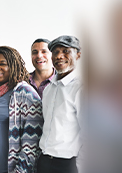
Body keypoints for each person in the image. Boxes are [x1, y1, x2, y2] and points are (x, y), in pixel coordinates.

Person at [0, 46, 43, 173]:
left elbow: (32, 141)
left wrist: (20, 170)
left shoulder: (24, 92)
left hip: (10, 170)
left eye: (3, 64)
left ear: (13, 66)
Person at [37, 36, 82, 173]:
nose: (59, 56)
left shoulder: (81, 88)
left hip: (67, 164)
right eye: (55, 52)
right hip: (44, 160)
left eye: (66, 51)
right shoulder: (49, 88)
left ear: (78, 55)